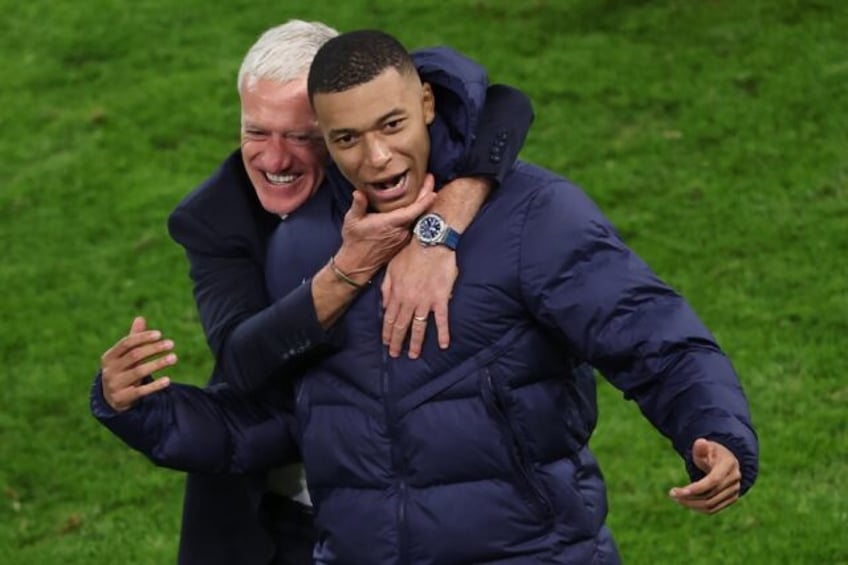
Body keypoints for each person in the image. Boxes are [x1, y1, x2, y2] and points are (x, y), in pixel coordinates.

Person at [93, 30, 759, 564]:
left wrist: (716, 431)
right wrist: (142, 409)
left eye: (391, 125)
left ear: (429, 105)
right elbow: (278, 419)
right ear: (326, 138)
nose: (378, 157)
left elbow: (653, 337)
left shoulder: (535, 216)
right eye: (348, 139)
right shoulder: (300, 248)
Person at [97, 20, 534, 565]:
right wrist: (348, 270)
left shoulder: (400, 161)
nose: (275, 160)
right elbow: (244, 361)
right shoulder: (215, 219)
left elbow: (504, 106)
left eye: (302, 137)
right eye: (256, 131)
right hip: (272, 515)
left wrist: (445, 219)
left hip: (428, 509)